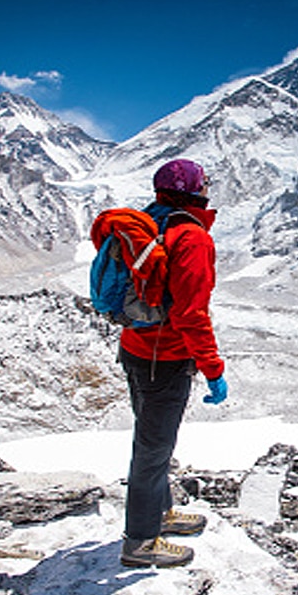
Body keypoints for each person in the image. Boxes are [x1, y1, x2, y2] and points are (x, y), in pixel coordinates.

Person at [119, 158, 228, 569]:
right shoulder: (191, 237)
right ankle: (141, 542)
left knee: (152, 442)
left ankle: (159, 513)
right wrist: (213, 368)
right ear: (195, 190)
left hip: (134, 349)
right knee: (153, 448)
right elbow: (191, 314)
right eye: (205, 184)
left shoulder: (148, 225)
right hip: (165, 359)